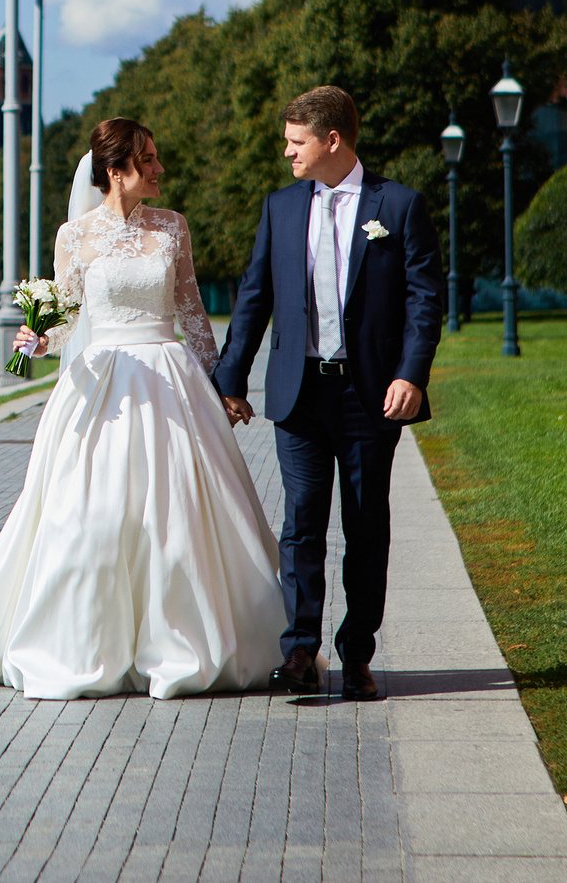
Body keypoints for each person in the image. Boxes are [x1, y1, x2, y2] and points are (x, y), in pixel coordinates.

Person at [0, 117, 288, 699]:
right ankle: (83, 640)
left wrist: (220, 383)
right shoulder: (74, 236)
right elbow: (69, 313)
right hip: (101, 385)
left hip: (170, 381)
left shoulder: (173, 228)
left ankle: (188, 639)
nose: (158, 169)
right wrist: (39, 338)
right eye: (147, 159)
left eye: (155, 157)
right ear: (115, 169)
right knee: (88, 515)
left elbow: (192, 313)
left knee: (178, 516)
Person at [214, 85, 441, 702]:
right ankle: (300, 653)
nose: (287, 153)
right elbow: (253, 297)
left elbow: (425, 301)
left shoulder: (397, 206)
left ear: (331, 140)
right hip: (299, 396)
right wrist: (229, 380)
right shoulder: (281, 208)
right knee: (302, 522)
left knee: (366, 526)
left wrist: (411, 374)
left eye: (296, 142)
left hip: (371, 397)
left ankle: (357, 654)